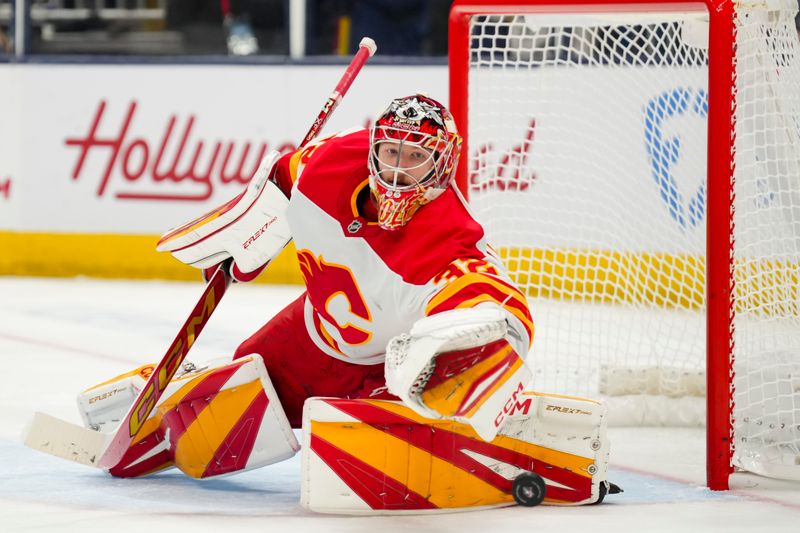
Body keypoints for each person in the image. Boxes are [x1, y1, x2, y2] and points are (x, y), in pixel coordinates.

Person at [78, 94, 613, 510]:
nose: (397, 171)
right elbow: (285, 174)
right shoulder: (331, 161)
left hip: (383, 368)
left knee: (344, 441)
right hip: (308, 337)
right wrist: (255, 222)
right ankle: (164, 412)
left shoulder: (451, 239)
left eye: (415, 159)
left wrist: (461, 344)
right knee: (230, 404)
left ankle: (511, 444)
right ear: (373, 146)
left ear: (442, 166)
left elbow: (501, 306)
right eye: (390, 152)